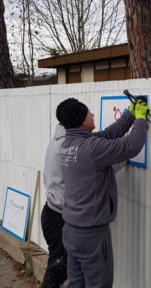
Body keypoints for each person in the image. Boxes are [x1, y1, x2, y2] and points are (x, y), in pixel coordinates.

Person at [59, 98, 149, 288]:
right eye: (88, 112)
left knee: (76, 283)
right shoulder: (91, 149)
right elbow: (131, 146)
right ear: (82, 120)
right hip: (91, 235)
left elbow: (108, 135)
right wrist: (141, 120)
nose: (92, 113)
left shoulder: (68, 144)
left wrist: (130, 115)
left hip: (71, 229)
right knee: (99, 284)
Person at [41, 98, 77, 288]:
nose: (93, 115)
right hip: (58, 219)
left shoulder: (59, 139)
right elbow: (98, 167)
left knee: (60, 267)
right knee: (58, 269)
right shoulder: (66, 147)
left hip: (52, 213)